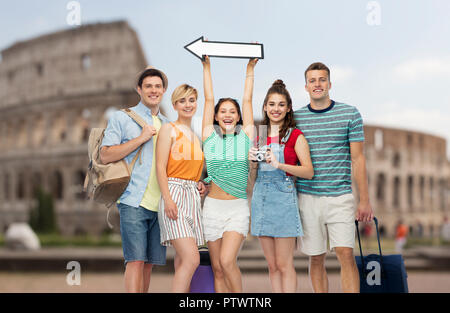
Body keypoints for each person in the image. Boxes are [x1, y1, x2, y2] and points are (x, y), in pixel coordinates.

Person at [294, 62, 374, 293]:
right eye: (312, 80)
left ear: (329, 84)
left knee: (346, 254)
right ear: (306, 86)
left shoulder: (350, 113)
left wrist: (364, 200)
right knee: (316, 257)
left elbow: (358, 159)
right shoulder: (296, 118)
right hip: (307, 197)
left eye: (322, 80)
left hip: (340, 196)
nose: (317, 84)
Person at [99, 67, 170, 293]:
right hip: (132, 201)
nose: (153, 90)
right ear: (139, 89)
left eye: (158, 86)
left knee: (149, 265)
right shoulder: (122, 117)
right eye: (148, 86)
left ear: (164, 90)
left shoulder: (168, 125)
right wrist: (141, 138)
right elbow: (105, 154)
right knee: (135, 261)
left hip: (159, 205)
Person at [248, 79, 314, 292]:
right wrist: (251, 161)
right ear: (265, 107)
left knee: (285, 264)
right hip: (261, 198)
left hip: (284, 198)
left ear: (288, 108)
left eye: (281, 104)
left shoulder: (295, 135)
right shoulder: (259, 136)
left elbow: (308, 171)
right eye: (272, 104)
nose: (276, 109)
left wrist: (280, 164)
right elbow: (253, 177)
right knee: (273, 265)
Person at [201, 55, 257, 292]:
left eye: (232, 111)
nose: (227, 114)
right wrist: (206, 67)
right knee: (217, 268)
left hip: (236, 209)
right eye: (222, 111)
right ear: (215, 116)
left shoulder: (246, 137)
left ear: (238, 117)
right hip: (212, 208)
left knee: (227, 261)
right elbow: (208, 98)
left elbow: (247, 99)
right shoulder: (208, 137)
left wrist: (250, 69)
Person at [156, 84, 206, 292]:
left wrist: (199, 182)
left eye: (192, 100)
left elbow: (192, 168)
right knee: (192, 258)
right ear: (175, 105)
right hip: (174, 193)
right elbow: (160, 166)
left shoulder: (196, 136)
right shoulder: (169, 129)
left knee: (182, 261)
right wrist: (167, 198)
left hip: (192, 197)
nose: (188, 105)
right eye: (183, 101)